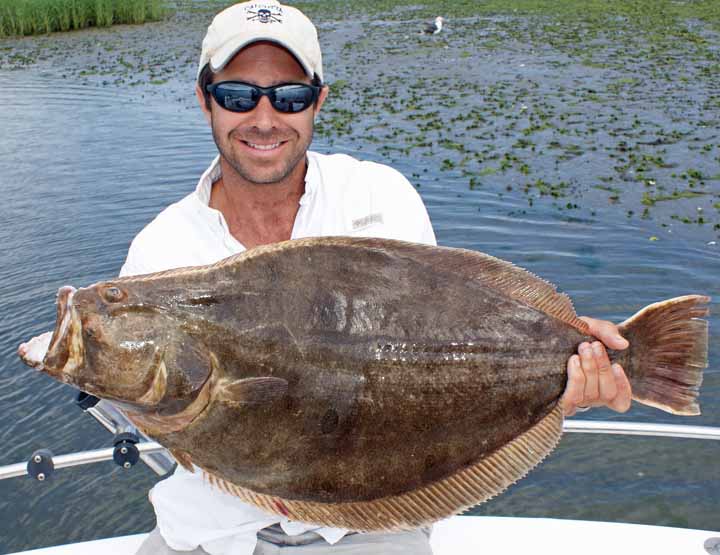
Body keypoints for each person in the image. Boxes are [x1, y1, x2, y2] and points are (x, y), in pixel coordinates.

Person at [121, 2, 631, 554]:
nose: (264, 119)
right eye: (238, 96)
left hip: (369, 525)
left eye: (289, 96)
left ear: (318, 101)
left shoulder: (377, 195)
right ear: (205, 101)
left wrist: (557, 378)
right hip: (208, 531)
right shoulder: (160, 249)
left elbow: (442, 357)